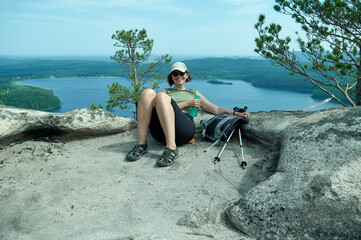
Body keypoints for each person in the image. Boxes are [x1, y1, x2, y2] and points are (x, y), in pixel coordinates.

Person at [126, 62, 251, 167]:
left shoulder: (193, 93)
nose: (179, 76)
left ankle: (171, 149)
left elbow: (216, 109)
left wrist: (236, 113)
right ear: (171, 76)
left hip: (183, 130)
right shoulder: (165, 92)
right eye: (175, 74)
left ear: (187, 75)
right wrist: (187, 103)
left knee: (161, 97)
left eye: (182, 73)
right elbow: (160, 109)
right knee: (147, 92)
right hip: (160, 133)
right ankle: (141, 145)